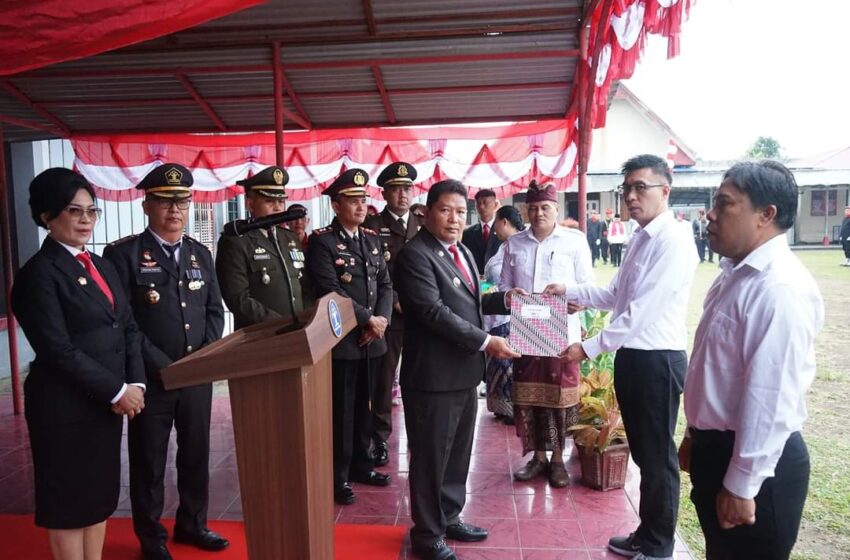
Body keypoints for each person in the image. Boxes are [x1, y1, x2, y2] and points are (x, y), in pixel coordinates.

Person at [549, 154, 698, 560]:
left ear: (665, 191)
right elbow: (615, 296)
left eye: (640, 188)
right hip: (635, 358)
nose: (631, 196)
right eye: (626, 188)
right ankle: (646, 532)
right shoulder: (642, 237)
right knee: (645, 454)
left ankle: (658, 545)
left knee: (657, 457)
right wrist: (572, 292)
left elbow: (640, 311)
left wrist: (588, 347)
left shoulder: (673, 241)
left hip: (657, 360)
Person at [678, 161, 824, 560]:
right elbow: (719, 373)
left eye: (725, 204)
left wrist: (743, 484)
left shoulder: (778, 288)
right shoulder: (735, 275)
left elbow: (770, 396)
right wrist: (695, 435)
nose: (710, 213)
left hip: (757, 465)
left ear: (766, 215)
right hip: (720, 448)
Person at [12, 168, 146, 560]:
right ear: (46, 217)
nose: (86, 219)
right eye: (75, 211)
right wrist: (117, 390)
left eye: (92, 211)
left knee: (97, 498)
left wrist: (135, 383)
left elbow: (129, 327)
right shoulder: (38, 275)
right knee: (69, 506)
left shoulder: (101, 265)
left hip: (103, 406)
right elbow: (57, 349)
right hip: (64, 411)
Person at [103, 164, 227, 560]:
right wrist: (163, 366)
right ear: (146, 205)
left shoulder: (199, 252)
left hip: (195, 375)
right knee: (149, 461)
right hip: (150, 379)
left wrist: (203, 355)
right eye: (164, 201)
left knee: (195, 455)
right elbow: (126, 321)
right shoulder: (123, 254)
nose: (174, 209)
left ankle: (193, 524)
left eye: (181, 201)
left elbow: (213, 310)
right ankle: (151, 537)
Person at [394, 179, 520, 560]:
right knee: (431, 458)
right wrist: (487, 342)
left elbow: (470, 297)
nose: (453, 218)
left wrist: (505, 298)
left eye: (460, 212)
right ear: (428, 211)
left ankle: (449, 516)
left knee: (457, 453)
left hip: (464, 374)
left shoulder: (461, 249)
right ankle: (427, 534)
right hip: (432, 378)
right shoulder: (415, 255)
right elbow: (433, 311)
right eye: (446, 210)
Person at [306, 168, 393, 505]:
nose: (360, 205)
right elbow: (330, 288)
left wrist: (381, 319)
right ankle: (338, 476)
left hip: (375, 338)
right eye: (352, 200)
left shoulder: (371, 239)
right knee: (341, 411)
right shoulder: (323, 241)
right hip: (343, 339)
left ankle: (362, 463)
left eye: (363, 199)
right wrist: (367, 319)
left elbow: (385, 283)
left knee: (367, 407)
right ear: (335, 203)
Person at [501, 181, 593, 488]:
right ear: (525, 210)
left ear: (556, 209)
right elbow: (503, 287)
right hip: (526, 333)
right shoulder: (514, 244)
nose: (539, 213)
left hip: (562, 333)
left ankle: (558, 460)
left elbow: (587, 285)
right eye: (533, 208)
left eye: (545, 208)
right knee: (530, 397)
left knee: (559, 397)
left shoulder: (575, 241)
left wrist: (579, 301)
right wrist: (509, 295)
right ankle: (537, 457)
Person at [363, 161, 422, 467]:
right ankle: (380, 439)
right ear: (384, 193)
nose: (403, 195)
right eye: (396, 189)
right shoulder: (372, 227)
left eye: (407, 188)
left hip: (423, 316)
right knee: (384, 380)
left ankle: (419, 434)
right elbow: (373, 274)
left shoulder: (424, 221)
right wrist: (395, 299)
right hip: (391, 316)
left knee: (421, 376)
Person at [215, 166, 309, 330]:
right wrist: (282, 325)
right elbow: (238, 299)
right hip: (261, 338)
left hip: (300, 332)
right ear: (250, 204)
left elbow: (306, 285)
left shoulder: (289, 237)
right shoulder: (236, 241)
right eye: (269, 201)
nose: (278, 208)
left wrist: (307, 318)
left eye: (280, 201)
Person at [482, 205, 526, 423]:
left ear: (505, 222)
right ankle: (501, 406)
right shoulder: (502, 245)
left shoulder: (521, 245)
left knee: (509, 363)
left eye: (496, 223)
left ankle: (512, 406)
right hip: (496, 310)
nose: (494, 228)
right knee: (498, 362)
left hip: (513, 315)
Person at [462, 188, 501, 272]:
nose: (481, 206)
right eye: (478, 203)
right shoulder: (467, 233)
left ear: (495, 204)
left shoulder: (503, 231)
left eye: (485, 203)